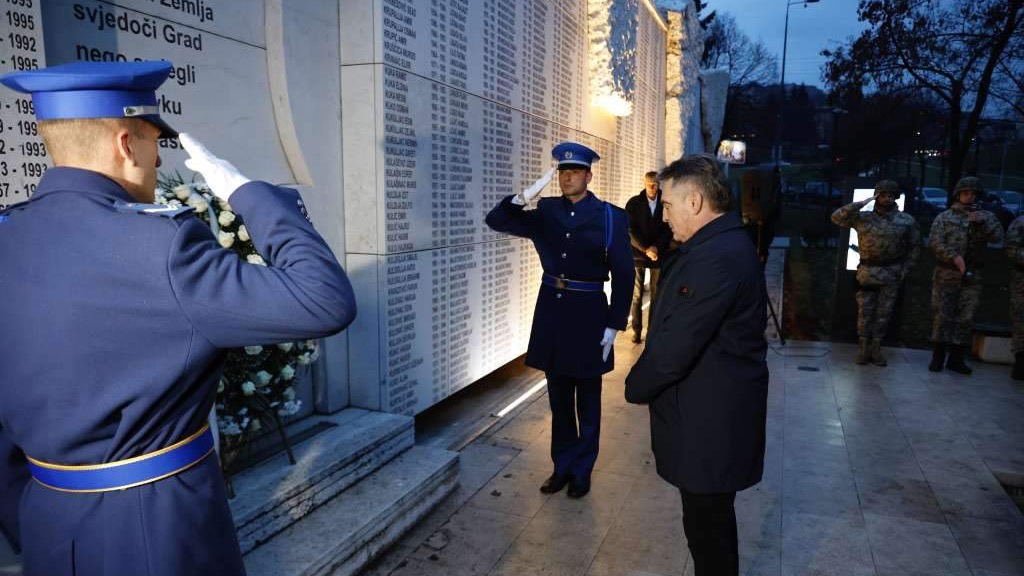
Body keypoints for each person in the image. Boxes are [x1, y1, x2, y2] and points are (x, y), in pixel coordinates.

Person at [0, 60, 356, 576]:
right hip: (158, 530)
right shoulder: (159, 246)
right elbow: (325, 300)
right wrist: (249, 193)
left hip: (47, 521)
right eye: (154, 141)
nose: (157, 155)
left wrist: (26, 516)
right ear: (127, 144)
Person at [625, 154, 768, 576]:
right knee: (709, 524)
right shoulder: (718, 244)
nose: (663, 217)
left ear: (694, 203)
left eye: (667, 206)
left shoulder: (716, 256)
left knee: (708, 531)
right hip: (712, 411)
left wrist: (635, 386)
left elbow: (676, 346)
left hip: (711, 417)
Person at [485, 142, 633, 499]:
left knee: (589, 401)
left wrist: (614, 324)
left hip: (589, 316)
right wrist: (525, 194)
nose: (566, 178)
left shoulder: (611, 216)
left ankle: (583, 471)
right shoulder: (547, 210)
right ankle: (562, 467)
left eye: (574, 172)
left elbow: (625, 275)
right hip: (552, 313)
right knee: (559, 399)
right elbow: (497, 221)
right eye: (561, 172)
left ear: (588, 175)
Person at [831, 180, 920, 366]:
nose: (887, 199)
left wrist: (905, 269)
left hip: (892, 272)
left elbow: (914, 248)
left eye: (890, 196)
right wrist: (863, 202)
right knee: (865, 312)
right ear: (877, 196)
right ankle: (863, 349)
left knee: (884, 313)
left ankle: (876, 349)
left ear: (895, 197)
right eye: (883, 195)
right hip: (867, 272)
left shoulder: (906, 221)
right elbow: (836, 217)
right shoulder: (863, 217)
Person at [927, 176, 1003, 374]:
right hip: (947, 273)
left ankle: (956, 358)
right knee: (943, 315)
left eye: (973, 193)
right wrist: (953, 257)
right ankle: (938, 356)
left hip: (972, 275)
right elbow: (935, 242)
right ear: (958, 194)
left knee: (966, 317)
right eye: (966, 193)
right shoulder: (945, 217)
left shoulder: (986, 216)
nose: (969, 197)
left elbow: (997, 237)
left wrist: (983, 223)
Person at [624, 171, 672, 343]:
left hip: (658, 255)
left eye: (655, 184)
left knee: (655, 295)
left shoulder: (666, 203)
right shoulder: (634, 203)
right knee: (637, 295)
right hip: (638, 254)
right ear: (644, 184)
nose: (652, 187)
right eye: (649, 184)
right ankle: (636, 331)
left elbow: (668, 228)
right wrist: (646, 249)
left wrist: (656, 248)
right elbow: (630, 230)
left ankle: (652, 331)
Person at [1005, 214, 1024, 380]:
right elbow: (1011, 248)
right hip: (1021, 281)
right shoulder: (1020, 223)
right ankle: (1020, 362)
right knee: (1020, 320)